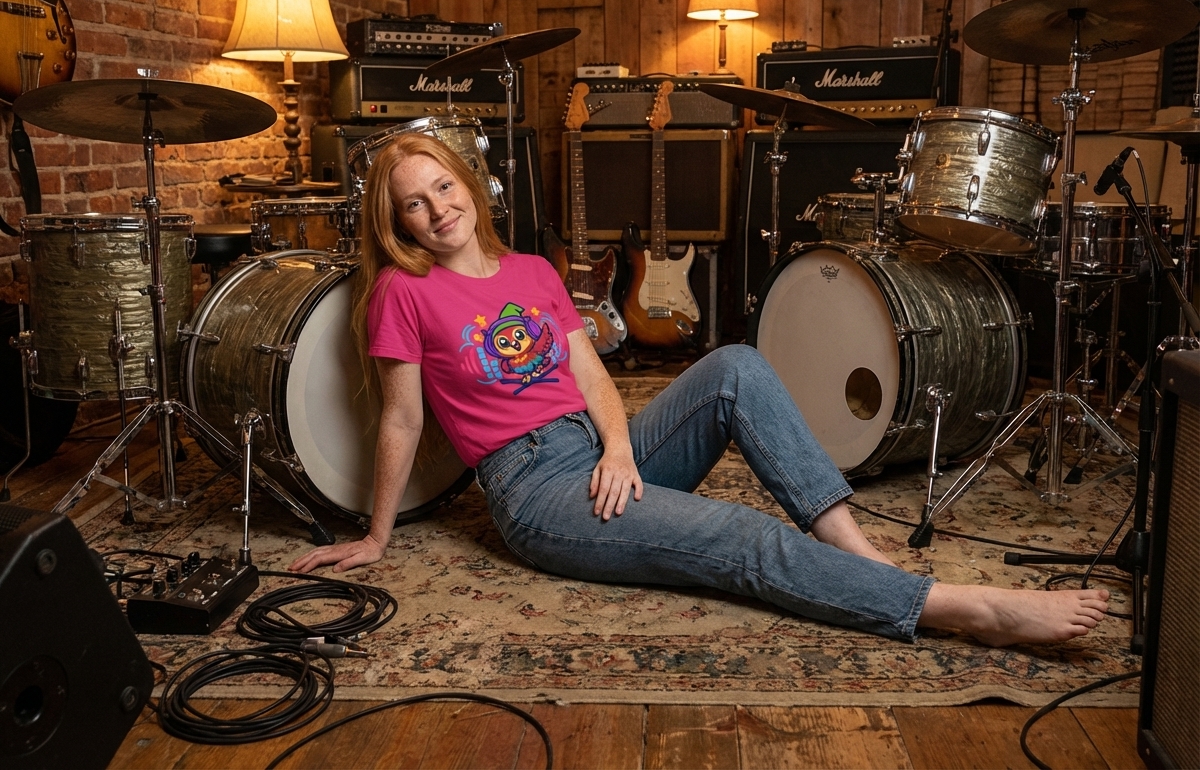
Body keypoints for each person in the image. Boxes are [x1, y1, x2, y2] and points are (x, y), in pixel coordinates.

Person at [290, 132, 1110, 647]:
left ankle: (853, 549)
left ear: (468, 185)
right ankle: (959, 608)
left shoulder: (532, 270)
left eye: (442, 188)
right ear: (398, 223)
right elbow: (402, 420)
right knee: (737, 537)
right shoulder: (404, 292)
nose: (436, 210)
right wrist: (377, 535)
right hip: (534, 491)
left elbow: (588, 373)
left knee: (737, 366)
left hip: (594, 450)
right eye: (413, 204)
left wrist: (618, 446)